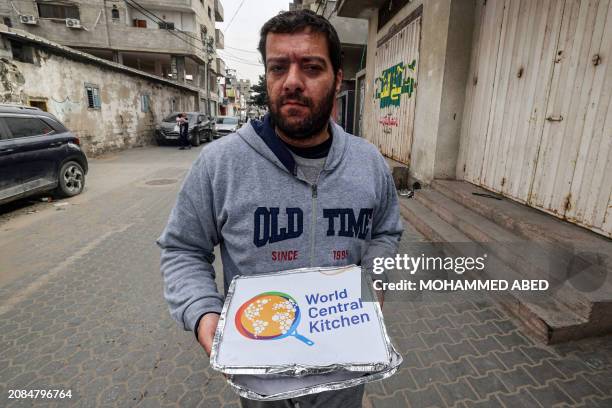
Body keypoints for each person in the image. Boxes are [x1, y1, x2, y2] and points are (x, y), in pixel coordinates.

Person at [157, 9, 403, 408]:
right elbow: (183, 248)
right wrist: (206, 316)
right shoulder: (220, 164)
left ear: (337, 79)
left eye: (310, 67)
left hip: (343, 378)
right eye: (278, 68)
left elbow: (386, 233)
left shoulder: (369, 163)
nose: (292, 81)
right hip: (261, 383)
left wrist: (370, 283)